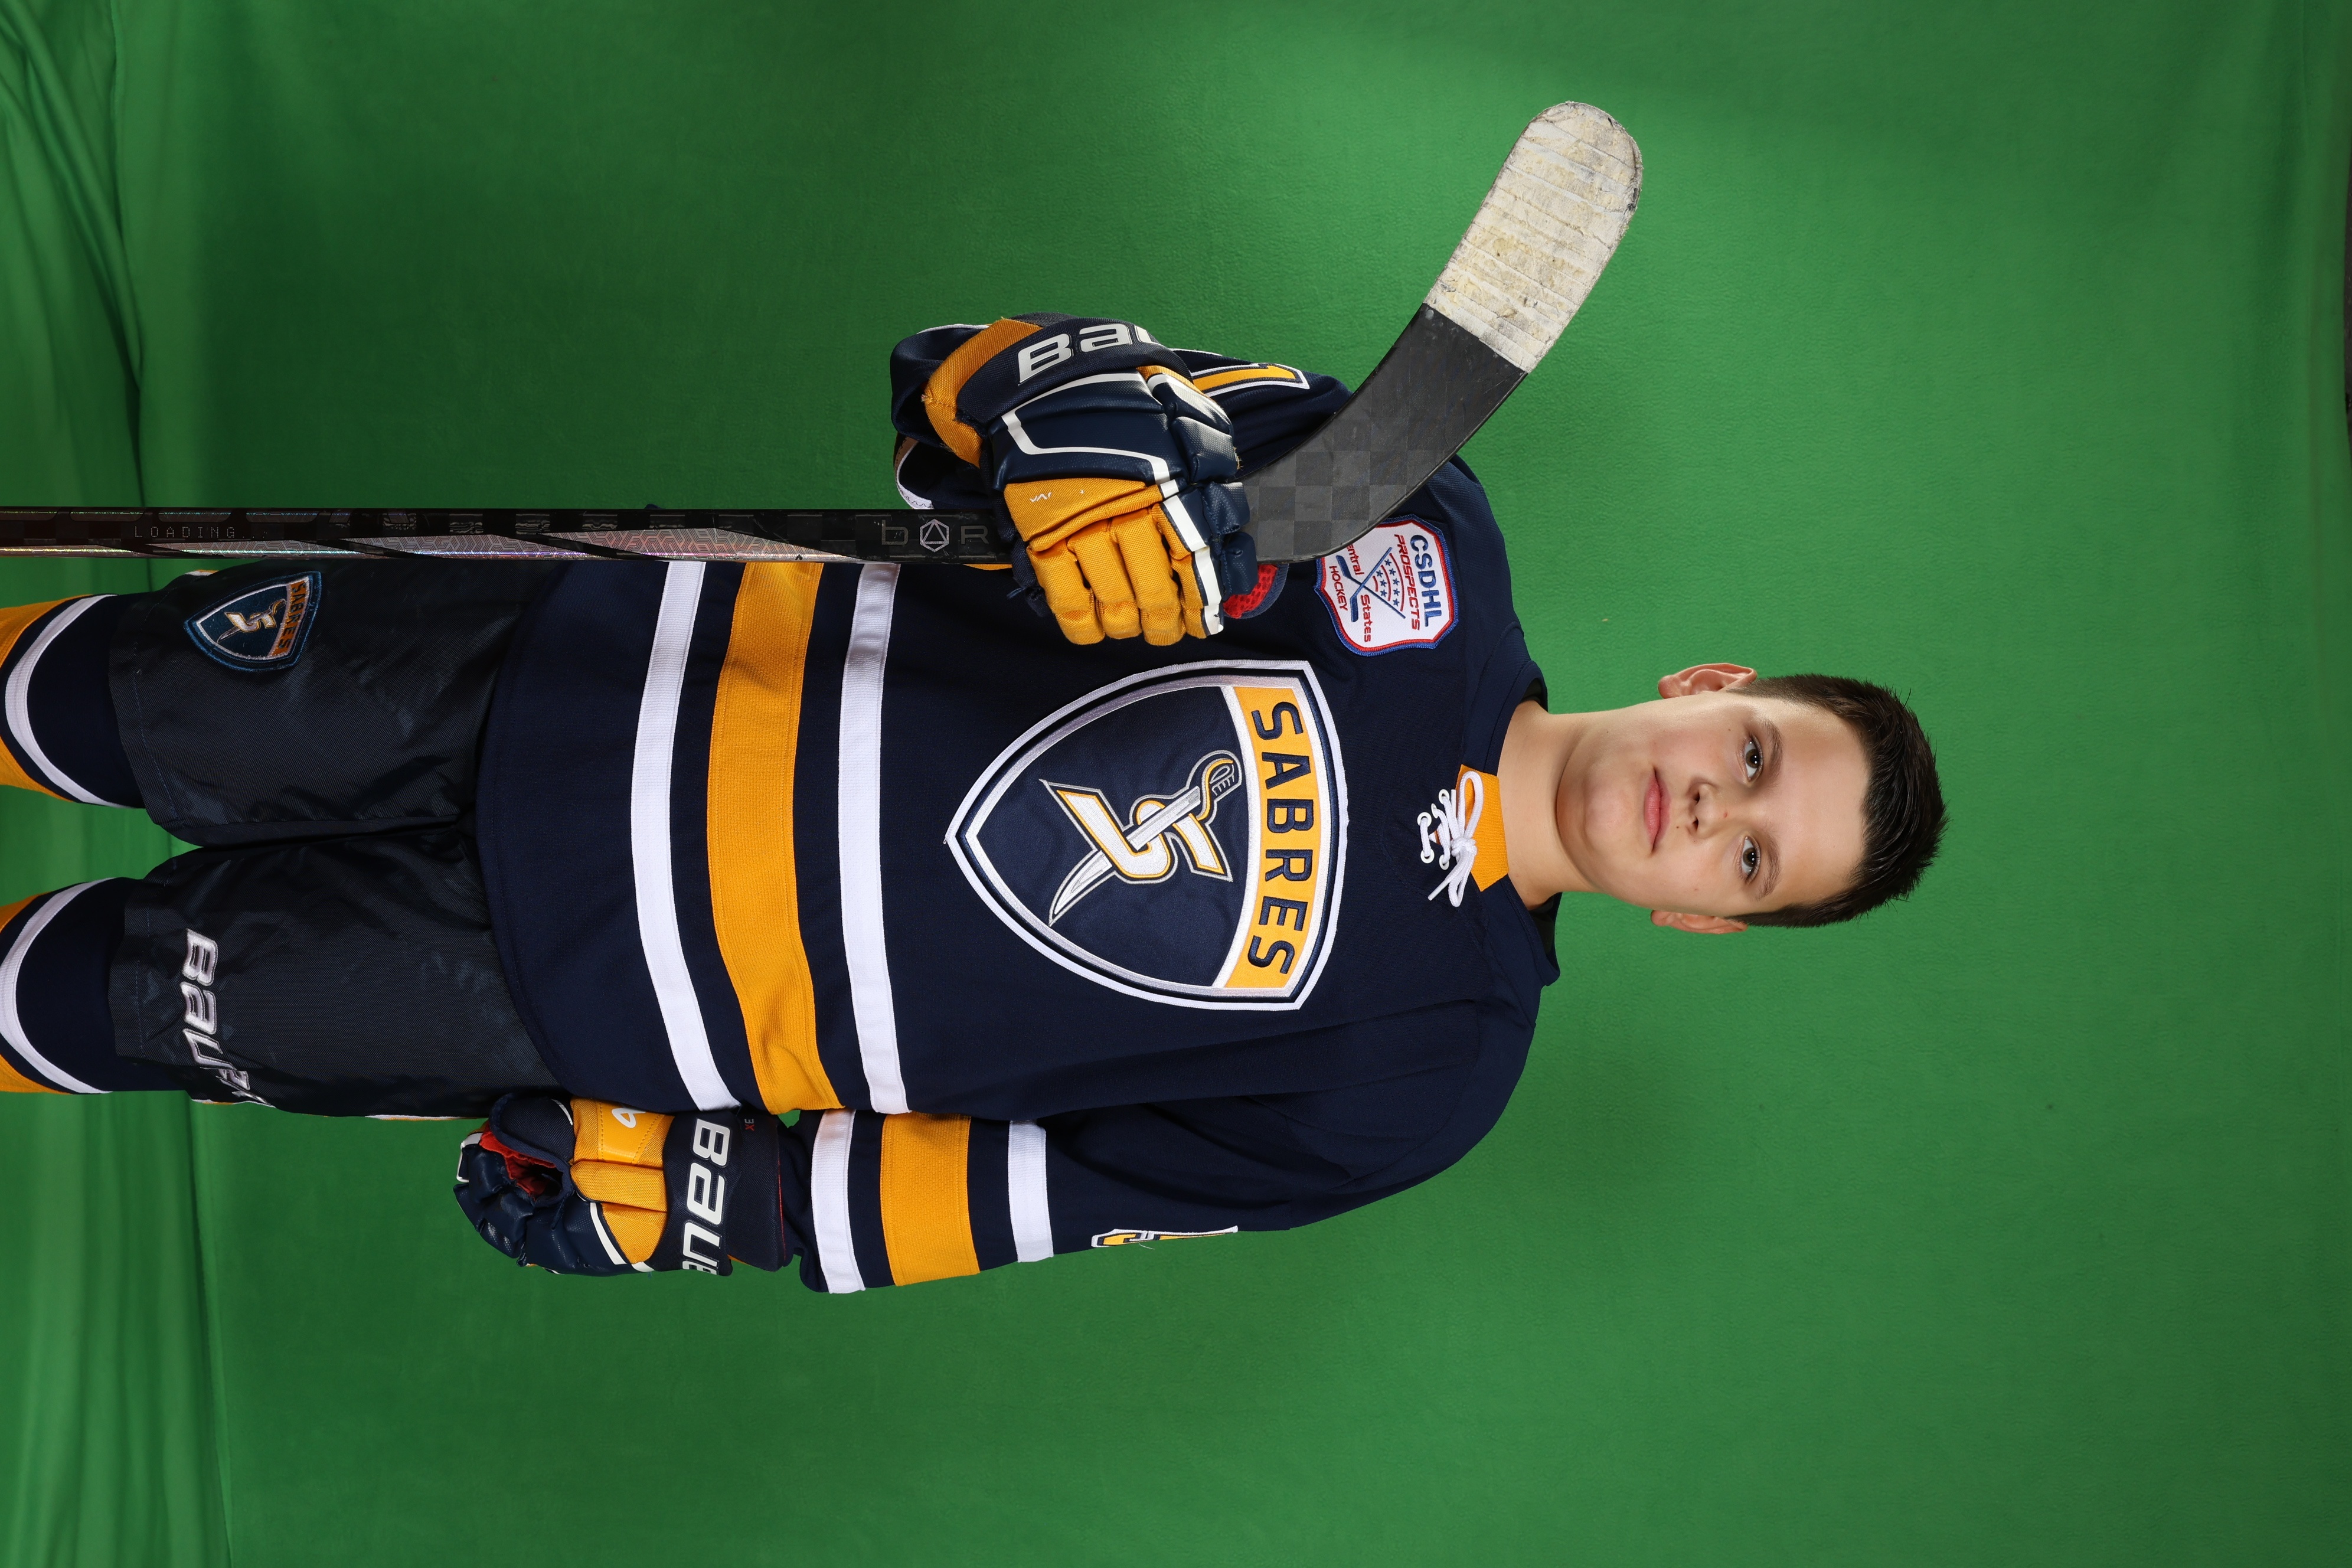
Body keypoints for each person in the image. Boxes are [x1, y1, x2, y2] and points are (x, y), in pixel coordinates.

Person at [0, 315, 1945, 1291]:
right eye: (1755, 758)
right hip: (582, 669)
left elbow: (1048, 1190)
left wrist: (740, 1208)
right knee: (73, 698)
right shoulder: (1416, 516)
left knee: (66, 1001)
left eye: (1751, 859)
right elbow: (968, 377)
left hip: (586, 993)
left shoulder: (1433, 1078)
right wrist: (1073, 428)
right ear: (1714, 686)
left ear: (1707, 919)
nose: (1708, 810)